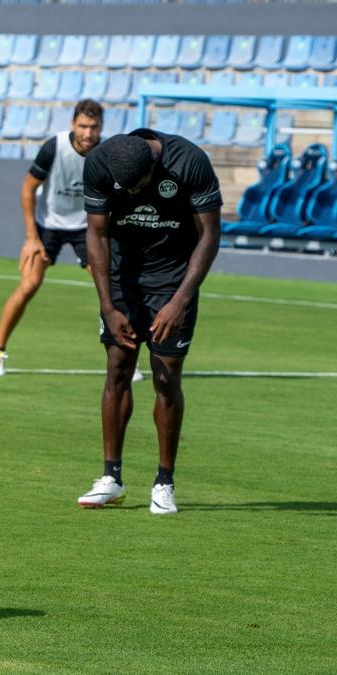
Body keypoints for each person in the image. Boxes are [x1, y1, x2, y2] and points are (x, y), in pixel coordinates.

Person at [77, 128, 221, 515]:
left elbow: (209, 235)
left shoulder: (190, 162)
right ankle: (111, 478)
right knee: (117, 368)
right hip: (122, 277)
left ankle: (164, 483)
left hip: (173, 278)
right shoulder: (100, 163)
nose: (132, 194)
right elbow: (96, 232)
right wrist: (108, 305)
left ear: (154, 165)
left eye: (138, 187)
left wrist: (180, 300)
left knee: (165, 375)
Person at [0, 99, 104, 377]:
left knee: (109, 289)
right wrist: (31, 238)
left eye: (94, 127)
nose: (88, 133)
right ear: (73, 125)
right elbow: (28, 189)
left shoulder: (106, 153)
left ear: (101, 128)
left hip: (85, 227)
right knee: (28, 285)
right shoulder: (54, 147)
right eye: (83, 126)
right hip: (47, 225)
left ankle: (127, 360)